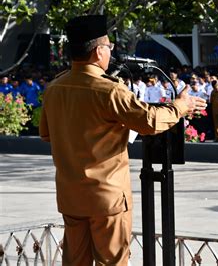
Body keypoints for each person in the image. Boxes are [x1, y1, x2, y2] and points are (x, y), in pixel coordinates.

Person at [39, 15, 207, 266]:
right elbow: (149, 120)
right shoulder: (109, 90)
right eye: (108, 47)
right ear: (98, 52)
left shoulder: (54, 88)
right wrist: (181, 106)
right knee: (113, 262)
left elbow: (46, 134)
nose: (110, 52)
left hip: (71, 196)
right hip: (106, 199)